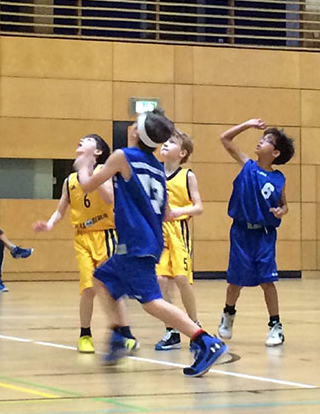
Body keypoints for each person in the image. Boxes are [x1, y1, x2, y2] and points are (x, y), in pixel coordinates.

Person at [74, 108, 227, 377]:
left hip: (136, 241)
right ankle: (120, 335)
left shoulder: (123, 156)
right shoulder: (157, 167)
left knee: (152, 302)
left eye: (135, 124)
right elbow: (166, 212)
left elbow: (87, 185)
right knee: (102, 280)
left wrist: (84, 165)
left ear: (136, 133)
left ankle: (204, 340)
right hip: (149, 240)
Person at [33, 134, 137, 354]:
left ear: (98, 152)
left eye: (87, 139)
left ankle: (125, 333)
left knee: (112, 287)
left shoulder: (104, 172)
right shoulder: (69, 181)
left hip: (106, 235)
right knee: (88, 288)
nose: (81, 140)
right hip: (82, 238)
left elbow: (109, 198)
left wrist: (89, 175)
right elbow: (61, 210)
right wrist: (50, 224)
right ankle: (85, 334)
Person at [218, 119, 295, 347]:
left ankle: (275, 326)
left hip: (265, 235)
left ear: (275, 153)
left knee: (267, 280)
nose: (261, 141)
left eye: (267, 140)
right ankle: (228, 312)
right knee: (235, 282)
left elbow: (284, 205)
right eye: (263, 138)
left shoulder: (279, 178)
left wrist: (282, 211)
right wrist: (247, 124)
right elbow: (225, 138)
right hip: (241, 232)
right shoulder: (247, 165)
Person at [155, 131, 202, 351]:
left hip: (178, 232)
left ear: (182, 153)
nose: (165, 144)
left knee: (182, 279)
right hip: (158, 232)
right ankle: (171, 330)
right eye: (164, 141)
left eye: (171, 142)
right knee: (160, 280)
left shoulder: (187, 176)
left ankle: (195, 327)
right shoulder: (154, 173)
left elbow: (198, 207)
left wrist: (177, 211)